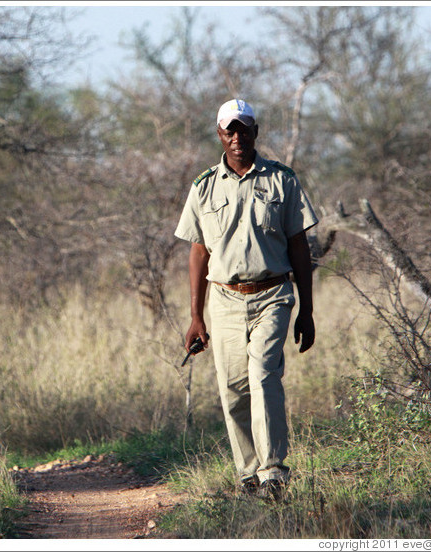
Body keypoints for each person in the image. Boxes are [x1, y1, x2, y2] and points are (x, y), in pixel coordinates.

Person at [174, 98, 319, 501]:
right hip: (223, 300)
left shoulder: (283, 180)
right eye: (229, 130)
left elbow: (299, 247)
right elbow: (198, 252)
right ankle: (249, 476)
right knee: (234, 388)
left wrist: (306, 311)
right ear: (220, 134)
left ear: (256, 131)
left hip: (273, 294)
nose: (237, 137)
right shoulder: (203, 186)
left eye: (245, 128)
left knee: (264, 377)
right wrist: (195, 317)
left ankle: (273, 472)